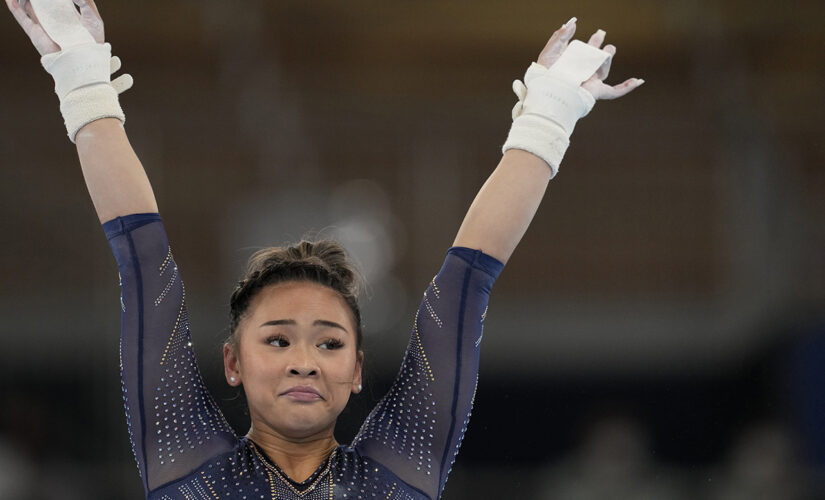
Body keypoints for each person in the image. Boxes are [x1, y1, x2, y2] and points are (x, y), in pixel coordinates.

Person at [5, 0, 643, 498]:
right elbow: (141, 261)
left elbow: (469, 278)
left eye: (329, 342)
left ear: (358, 368)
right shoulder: (184, 462)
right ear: (232, 363)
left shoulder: (402, 469)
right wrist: (82, 81)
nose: (305, 361)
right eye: (278, 339)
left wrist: (550, 116)